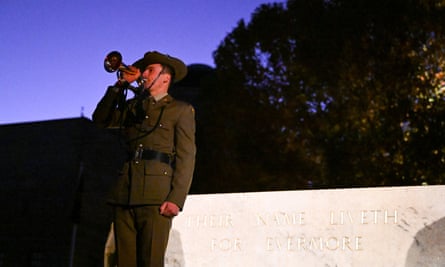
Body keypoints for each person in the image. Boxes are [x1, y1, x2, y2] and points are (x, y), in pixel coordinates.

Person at [93, 51, 196, 267]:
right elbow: (101, 119)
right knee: (124, 262)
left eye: (151, 70)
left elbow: (187, 156)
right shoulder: (134, 107)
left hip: (156, 196)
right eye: (145, 70)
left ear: (165, 77)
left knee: (150, 261)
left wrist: (176, 199)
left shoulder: (180, 110)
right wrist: (119, 86)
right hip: (125, 193)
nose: (145, 74)